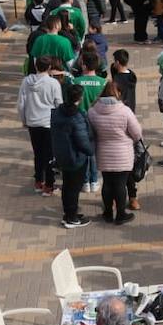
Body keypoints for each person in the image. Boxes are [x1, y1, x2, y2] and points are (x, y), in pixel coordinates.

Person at [88, 79, 142, 223]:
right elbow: (137, 133)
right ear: (117, 93)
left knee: (107, 183)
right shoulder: (124, 111)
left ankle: (107, 212)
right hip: (123, 155)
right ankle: (120, 214)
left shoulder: (93, 111)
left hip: (103, 153)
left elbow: (91, 132)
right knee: (120, 185)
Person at [18, 55, 64, 196]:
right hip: (48, 123)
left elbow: (21, 103)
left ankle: (38, 182)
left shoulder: (26, 82)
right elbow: (58, 104)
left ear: (36, 66)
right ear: (50, 68)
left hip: (32, 122)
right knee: (49, 155)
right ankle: (49, 186)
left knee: (37, 154)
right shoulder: (53, 83)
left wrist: (24, 120)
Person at [50, 84, 94, 228]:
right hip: (76, 158)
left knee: (67, 186)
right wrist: (91, 150)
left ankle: (69, 213)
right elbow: (83, 141)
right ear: (80, 98)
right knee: (73, 188)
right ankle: (72, 217)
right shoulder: (77, 117)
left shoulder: (57, 112)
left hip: (62, 155)